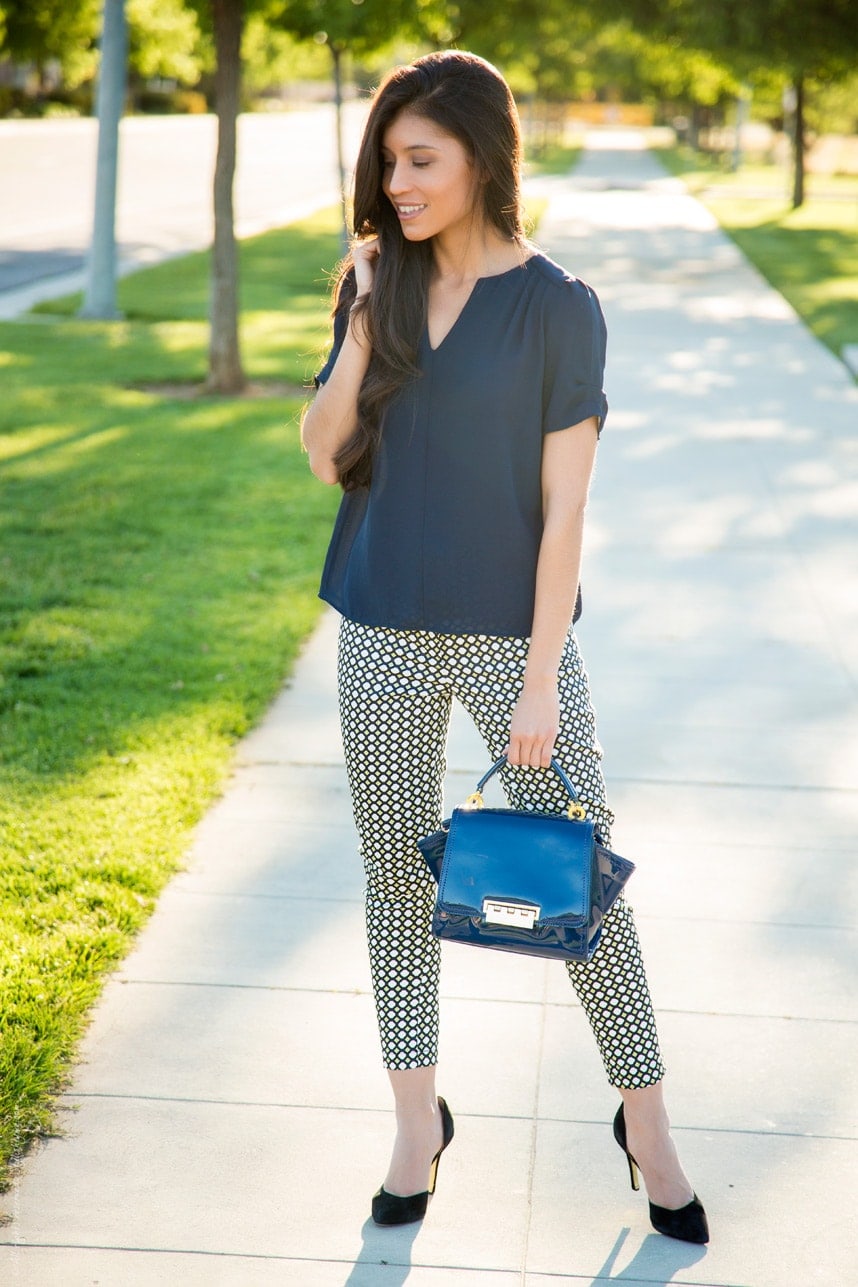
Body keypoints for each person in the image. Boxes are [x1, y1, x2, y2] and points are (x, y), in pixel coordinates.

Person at [301, 50, 708, 1244]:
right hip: (378, 625)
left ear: (485, 156)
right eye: (389, 161)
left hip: (505, 644)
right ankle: (416, 1127)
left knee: (580, 879)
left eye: (421, 159)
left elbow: (567, 509)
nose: (400, 181)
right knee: (392, 884)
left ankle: (650, 1127)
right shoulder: (376, 284)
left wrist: (539, 679)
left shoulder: (558, 307)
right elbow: (325, 454)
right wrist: (369, 323)